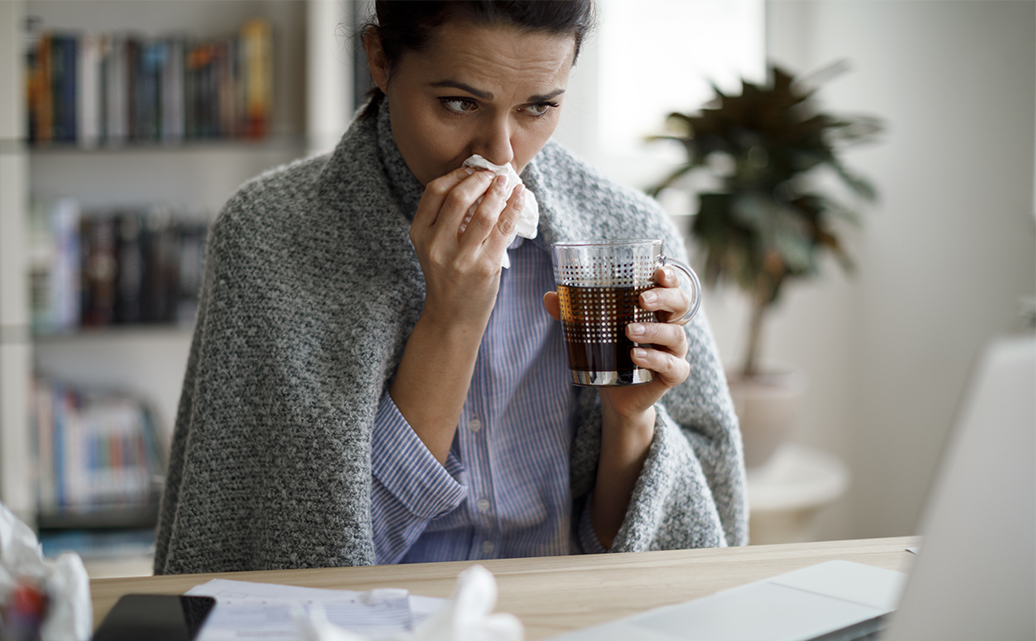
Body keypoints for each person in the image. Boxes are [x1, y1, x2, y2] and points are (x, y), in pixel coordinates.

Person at [154, 0, 747, 575]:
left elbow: (625, 560)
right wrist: (452, 320)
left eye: (537, 108)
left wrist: (630, 421)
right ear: (381, 59)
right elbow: (316, 559)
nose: (500, 153)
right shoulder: (267, 235)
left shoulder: (624, 233)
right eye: (460, 103)